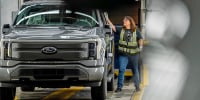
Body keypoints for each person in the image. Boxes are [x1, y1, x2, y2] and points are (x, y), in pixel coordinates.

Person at [106, 15, 143, 92]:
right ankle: (119, 87)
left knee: (135, 70)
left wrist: (140, 47)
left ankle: (137, 86)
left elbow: (140, 39)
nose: (123, 22)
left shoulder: (136, 30)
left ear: (129, 22)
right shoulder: (121, 29)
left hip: (134, 54)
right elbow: (112, 27)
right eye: (124, 21)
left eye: (125, 20)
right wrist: (107, 19)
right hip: (123, 55)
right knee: (122, 70)